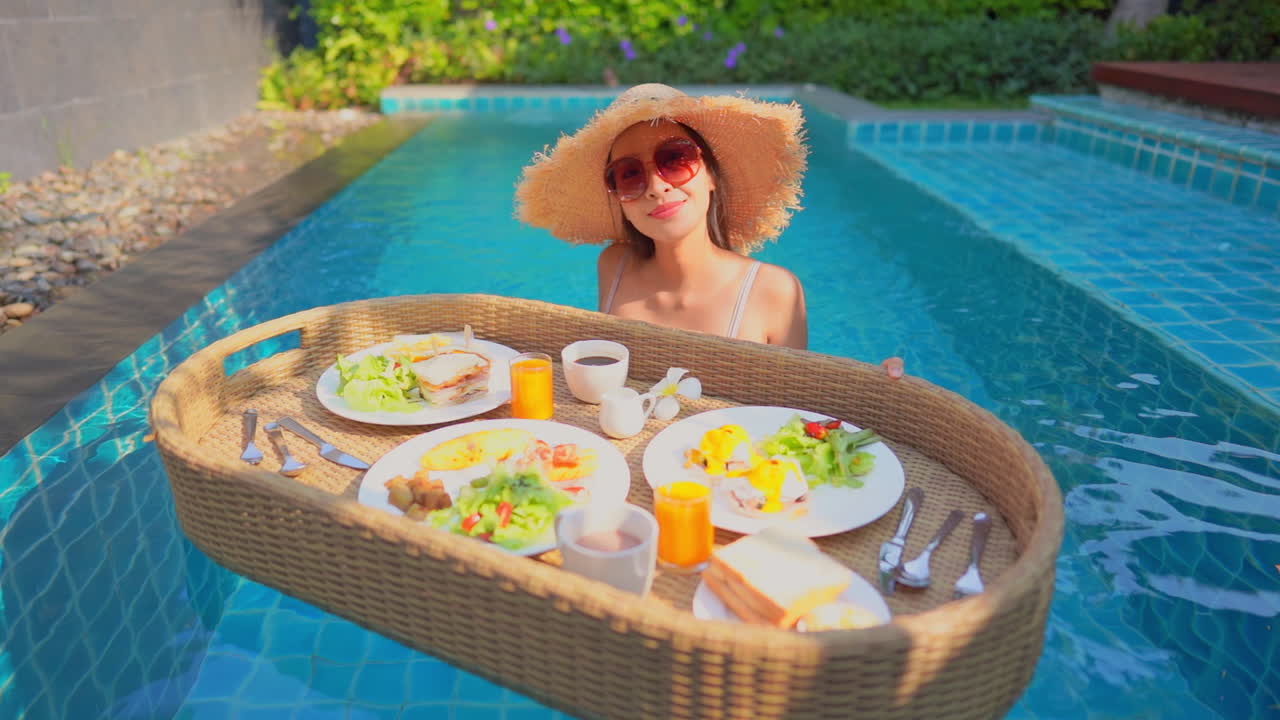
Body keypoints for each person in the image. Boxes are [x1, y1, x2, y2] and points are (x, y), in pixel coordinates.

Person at [515, 83, 904, 378]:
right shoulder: (613, 266)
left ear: (712, 175)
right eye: (630, 175)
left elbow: (797, 407)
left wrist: (870, 385)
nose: (656, 186)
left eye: (675, 159)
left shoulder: (774, 292)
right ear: (617, 197)